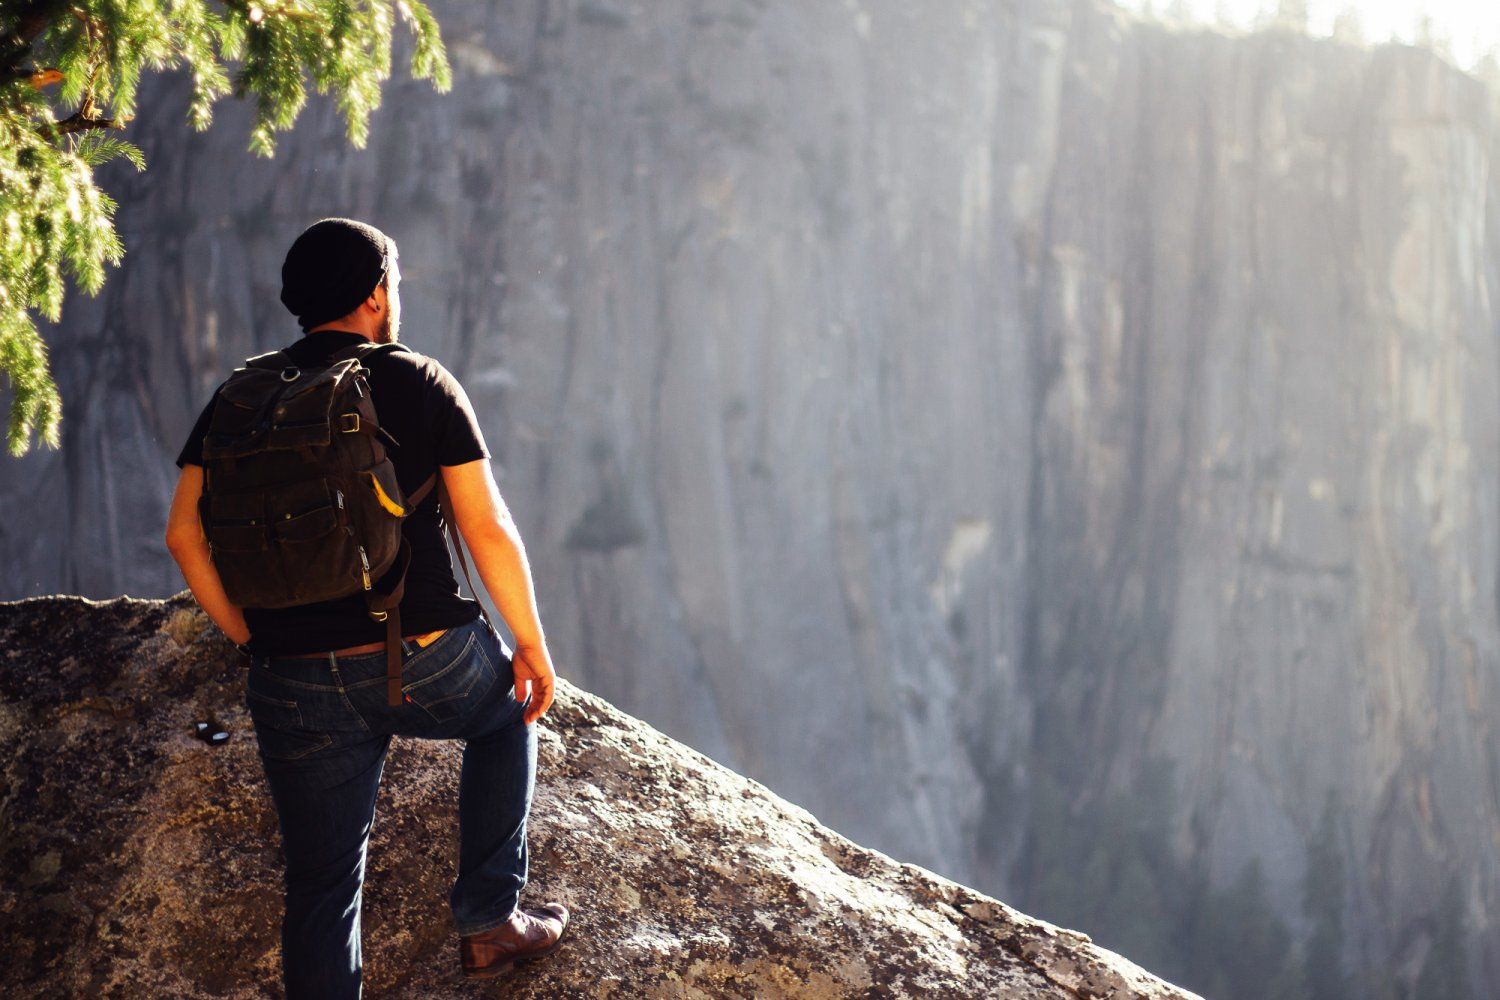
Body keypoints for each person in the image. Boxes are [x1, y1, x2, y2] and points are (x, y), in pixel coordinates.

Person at [163, 217, 570, 996]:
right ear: (377, 293)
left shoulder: (239, 394)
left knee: (322, 886)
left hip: (291, 675)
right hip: (424, 653)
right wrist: (531, 645)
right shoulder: (415, 379)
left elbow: (183, 536)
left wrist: (253, 637)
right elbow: (486, 526)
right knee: (505, 717)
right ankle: (489, 923)